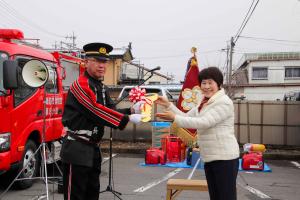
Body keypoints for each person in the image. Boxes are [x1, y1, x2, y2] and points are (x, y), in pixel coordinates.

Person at [60, 42, 143, 200]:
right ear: (86, 62)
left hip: (92, 149)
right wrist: (127, 119)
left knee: (92, 194)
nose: (102, 65)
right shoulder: (81, 85)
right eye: (97, 61)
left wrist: (130, 110)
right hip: (77, 148)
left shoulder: (101, 87)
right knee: (75, 196)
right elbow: (95, 110)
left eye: (104, 61)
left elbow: (110, 110)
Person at [155, 67, 240, 200]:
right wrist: (168, 105)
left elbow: (203, 122)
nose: (206, 86)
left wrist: (174, 118)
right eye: (203, 83)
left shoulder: (224, 102)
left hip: (225, 158)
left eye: (210, 82)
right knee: (215, 196)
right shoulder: (204, 102)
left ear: (218, 84)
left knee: (225, 196)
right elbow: (186, 116)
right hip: (211, 157)